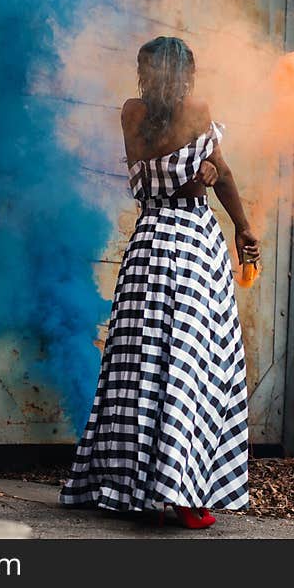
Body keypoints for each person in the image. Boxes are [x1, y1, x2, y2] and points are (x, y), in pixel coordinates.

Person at [59, 35, 260, 529]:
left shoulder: (130, 113)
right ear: (186, 74)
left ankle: (122, 485)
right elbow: (214, 179)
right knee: (191, 366)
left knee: (136, 368)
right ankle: (187, 494)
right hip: (191, 246)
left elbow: (159, 177)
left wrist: (203, 174)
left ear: (146, 73)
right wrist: (244, 227)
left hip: (147, 244)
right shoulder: (198, 112)